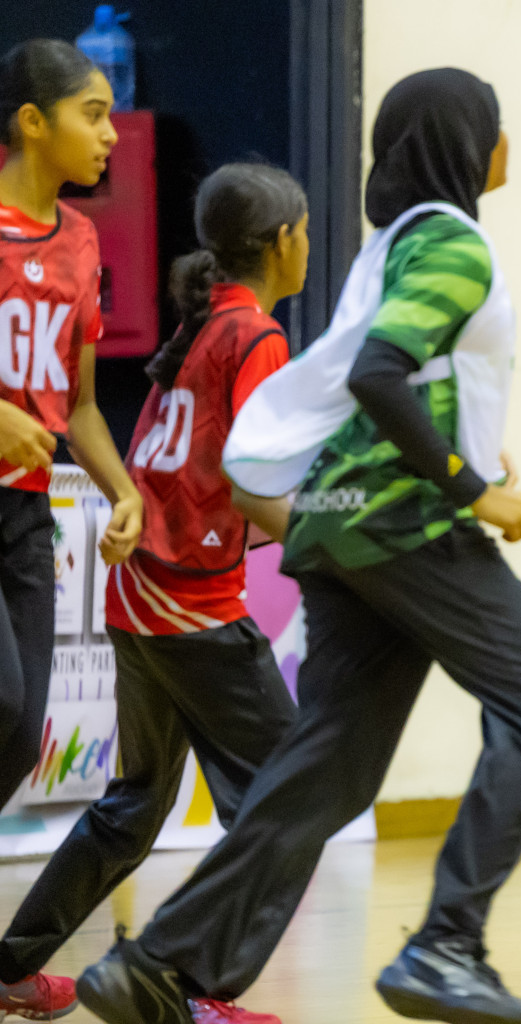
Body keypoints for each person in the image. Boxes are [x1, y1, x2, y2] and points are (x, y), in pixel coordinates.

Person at [76, 69, 521, 1024]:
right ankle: (445, 946)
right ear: (464, 142)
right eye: (495, 125)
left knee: (328, 767)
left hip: (334, 522)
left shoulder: (387, 246)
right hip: (405, 523)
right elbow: (383, 375)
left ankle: (158, 963)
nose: (506, 139)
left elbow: (386, 375)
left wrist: (469, 440)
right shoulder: (454, 244)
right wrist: (479, 491)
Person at [0, 162, 308, 1024]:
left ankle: (13, 965)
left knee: (135, 804)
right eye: (309, 228)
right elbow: (256, 483)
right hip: (191, 607)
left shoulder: (199, 328)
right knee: (288, 800)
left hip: (133, 598)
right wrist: (338, 546)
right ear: (285, 242)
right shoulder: (254, 338)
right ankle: (192, 985)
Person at [0, 40, 141, 812]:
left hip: (27, 513)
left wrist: (123, 491)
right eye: (92, 115)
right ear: (31, 121)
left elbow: (79, 404)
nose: (110, 134)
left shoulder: (82, 241)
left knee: (22, 736)